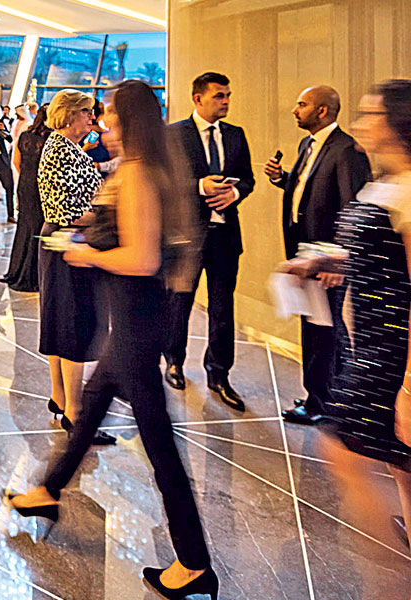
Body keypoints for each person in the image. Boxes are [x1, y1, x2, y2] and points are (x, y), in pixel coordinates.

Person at [8, 80, 216, 600]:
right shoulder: (134, 167)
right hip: (130, 321)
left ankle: (193, 561)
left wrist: (88, 254)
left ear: (130, 120)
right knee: (93, 406)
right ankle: (48, 490)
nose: (103, 123)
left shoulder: (142, 173)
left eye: (110, 115)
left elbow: (142, 259)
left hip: (138, 322)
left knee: (161, 446)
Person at [282, 78, 411, 559]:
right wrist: (325, 261)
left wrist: (409, 387)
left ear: (398, 124)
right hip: (374, 340)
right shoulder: (386, 183)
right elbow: (375, 253)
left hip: (394, 350)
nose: (361, 125)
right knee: (398, 455)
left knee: (343, 449)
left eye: (371, 115)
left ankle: (384, 571)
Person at [264, 86, 372, 426]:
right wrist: (282, 179)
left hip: (326, 259)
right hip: (304, 251)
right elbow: (309, 190)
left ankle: (322, 401)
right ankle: (328, 392)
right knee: (317, 326)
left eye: (302, 104)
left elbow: (352, 207)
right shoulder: (307, 145)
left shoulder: (346, 150)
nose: (295, 110)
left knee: (325, 330)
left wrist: (337, 258)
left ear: (322, 111)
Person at [165, 72, 255, 412]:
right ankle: (173, 361)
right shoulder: (174, 134)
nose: (226, 101)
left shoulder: (235, 135)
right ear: (198, 98)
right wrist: (200, 187)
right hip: (186, 237)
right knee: (180, 304)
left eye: (228, 95)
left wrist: (235, 192)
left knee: (222, 308)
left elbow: (248, 178)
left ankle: (219, 374)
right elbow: (166, 183)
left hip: (225, 237)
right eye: (219, 95)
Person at [34, 89, 110, 439]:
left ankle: (60, 396)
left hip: (60, 242)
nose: (92, 119)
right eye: (87, 113)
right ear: (69, 115)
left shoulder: (63, 147)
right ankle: (76, 415)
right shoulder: (61, 150)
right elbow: (66, 211)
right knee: (73, 326)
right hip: (69, 243)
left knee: (59, 322)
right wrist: (111, 219)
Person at [1, 103, 50, 293]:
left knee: (24, 227)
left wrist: (26, 179)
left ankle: (17, 270)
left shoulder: (25, 136)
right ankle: (33, 275)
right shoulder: (51, 140)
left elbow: (16, 163)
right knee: (38, 228)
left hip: (25, 185)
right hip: (40, 186)